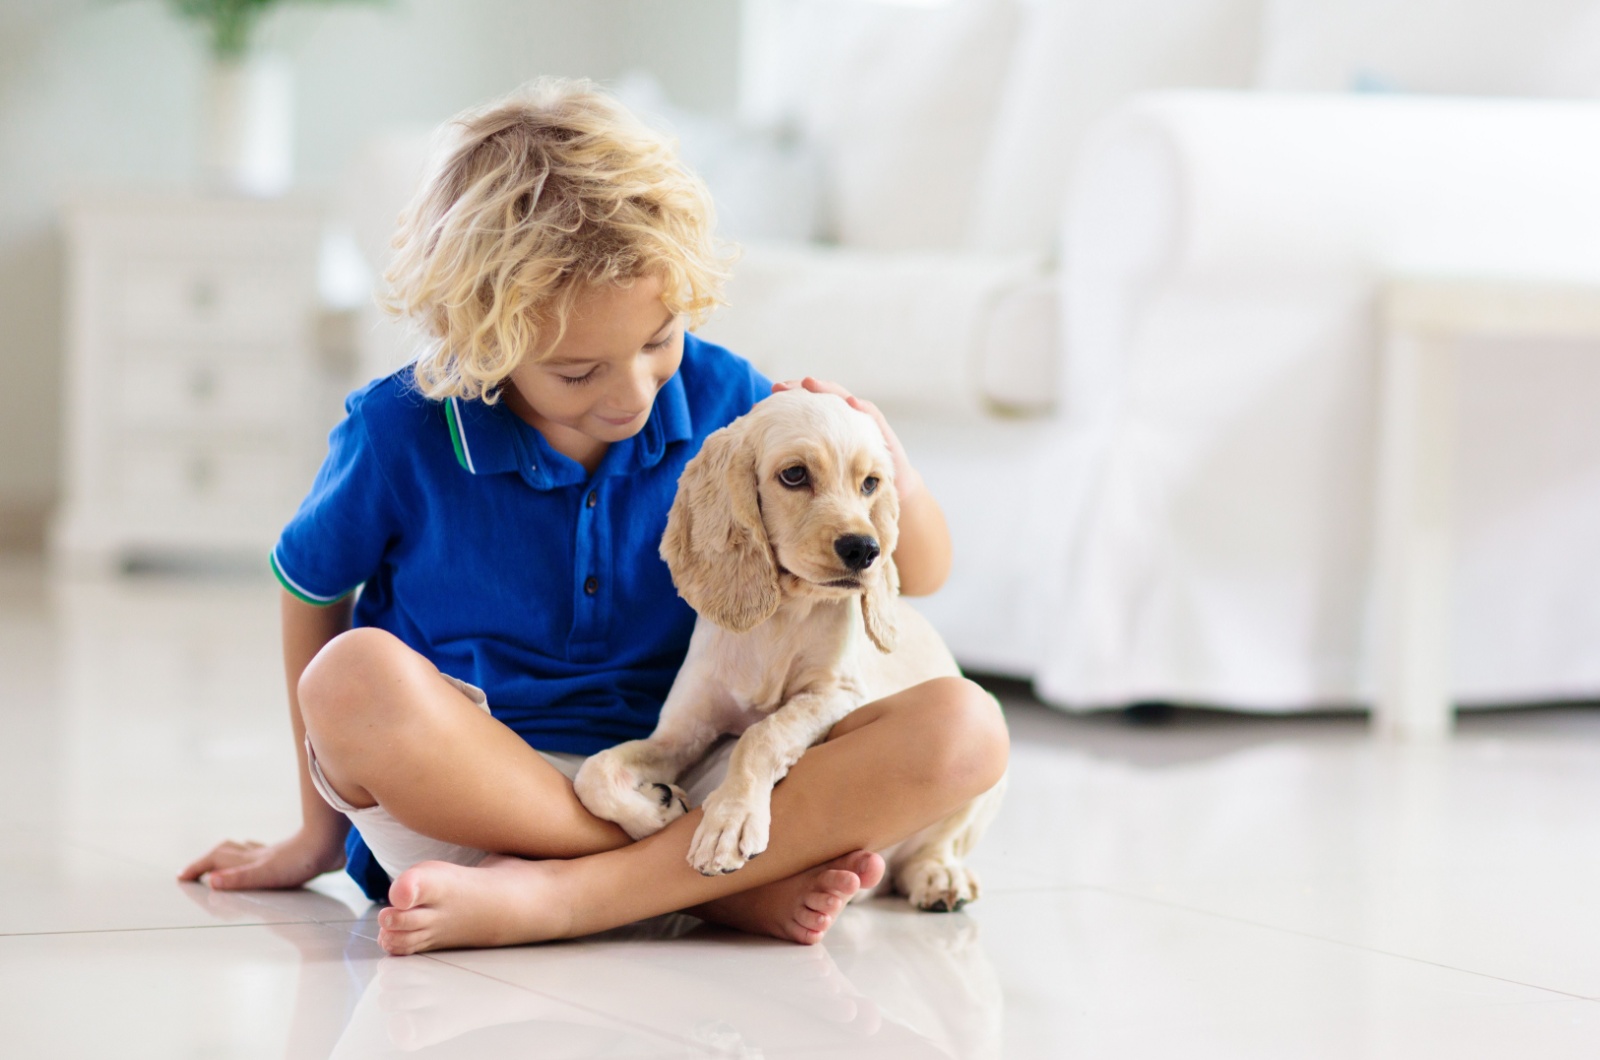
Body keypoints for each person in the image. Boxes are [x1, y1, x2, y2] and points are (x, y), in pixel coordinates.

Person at [179, 78, 1008, 955]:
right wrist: (315, 833)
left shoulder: (728, 400)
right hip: (477, 794)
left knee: (966, 730)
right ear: (482, 340)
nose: (632, 393)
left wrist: (894, 469)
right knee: (348, 679)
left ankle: (591, 894)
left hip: (681, 774)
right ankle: (688, 890)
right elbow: (308, 592)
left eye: (658, 342)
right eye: (579, 373)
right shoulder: (401, 428)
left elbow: (919, 574)